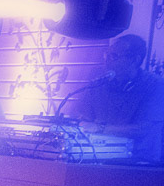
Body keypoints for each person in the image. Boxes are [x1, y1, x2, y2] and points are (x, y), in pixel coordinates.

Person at [69, 33, 164, 163]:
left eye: (113, 56)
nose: (106, 60)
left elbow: (144, 128)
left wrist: (100, 129)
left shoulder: (156, 85)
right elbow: (81, 115)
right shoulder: (99, 82)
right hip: (102, 157)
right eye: (106, 55)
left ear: (135, 60)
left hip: (140, 162)